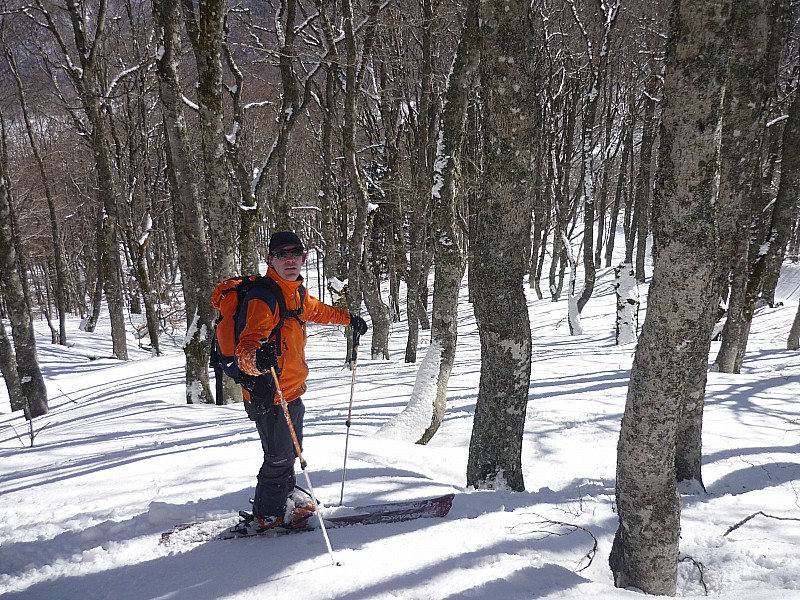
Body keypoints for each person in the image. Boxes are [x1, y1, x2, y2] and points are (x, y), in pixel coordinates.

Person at [234, 231, 368, 532]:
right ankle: (268, 515)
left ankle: (286, 500)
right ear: (270, 260)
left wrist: (349, 319)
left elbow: (316, 310)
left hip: (292, 389)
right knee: (279, 457)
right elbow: (245, 348)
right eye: (281, 254)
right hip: (268, 393)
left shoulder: (293, 292)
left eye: (295, 252)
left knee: (290, 450)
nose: (289, 259)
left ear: (304, 258)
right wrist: (258, 359)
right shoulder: (264, 298)